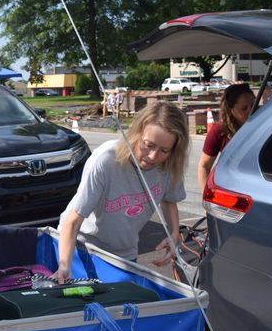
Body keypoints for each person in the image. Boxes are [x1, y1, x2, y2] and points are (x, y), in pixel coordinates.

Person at [54, 101, 189, 283]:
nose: (153, 157)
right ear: (136, 133)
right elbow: (73, 221)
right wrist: (64, 266)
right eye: (148, 145)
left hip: (124, 253)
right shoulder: (106, 160)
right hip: (81, 248)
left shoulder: (171, 165)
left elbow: (169, 199)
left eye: (164, 150)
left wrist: (174, 234)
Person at [197, 83, 255, 192]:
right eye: (244, 108)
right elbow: (204, 166)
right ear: (231, 109)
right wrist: (208, 196)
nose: (250, 111)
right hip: (230, 190)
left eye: (253, 105)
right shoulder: (218, 130)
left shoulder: (263, 125)